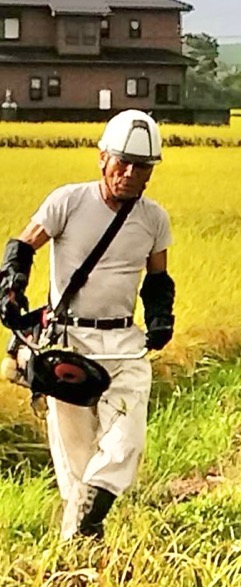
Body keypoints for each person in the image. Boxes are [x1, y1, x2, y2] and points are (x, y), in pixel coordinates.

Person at [0, 110, 174, 539]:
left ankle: (87, 524)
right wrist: (12, 289)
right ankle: (77, 553)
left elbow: (156, 279)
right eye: (123, 163)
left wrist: (160, 316)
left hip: (125, 344)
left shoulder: (154, 219)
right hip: (69, 343)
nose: (130, 174)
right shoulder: (68, 202)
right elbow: (23, 247)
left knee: (125, 442)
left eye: (142, 167)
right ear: (102, 158)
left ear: (152, 173)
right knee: (76, 460)